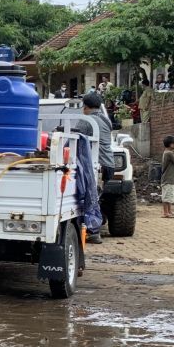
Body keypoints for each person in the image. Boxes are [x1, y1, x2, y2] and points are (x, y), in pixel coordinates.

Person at [73, 92, 113, 244]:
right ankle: (93, 226)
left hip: (98, 165)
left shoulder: (87, 120)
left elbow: (74, 137)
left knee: (92, 197)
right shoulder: (105, 119)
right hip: (109, 164)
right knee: (97, 196)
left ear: (86, 106)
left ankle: (93, 232)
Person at [161, 135, 174, 218]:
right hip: (168, 178)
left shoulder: (167, 152)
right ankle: (166, 213)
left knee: (170, 196)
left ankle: (169, 211)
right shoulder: (169, 153)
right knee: (167, 196)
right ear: (171, 145)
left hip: (169, 178)